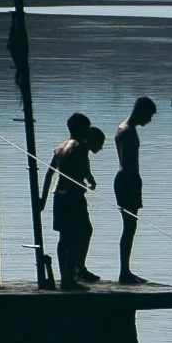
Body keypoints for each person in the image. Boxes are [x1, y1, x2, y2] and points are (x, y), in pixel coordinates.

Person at [41, 114, 105, 289]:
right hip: (73, 197)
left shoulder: (59, 148)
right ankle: (74, 273)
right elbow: (84, 169)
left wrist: (43, 200)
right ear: (82, 130)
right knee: (82, 232)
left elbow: (49, 175)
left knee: (65, 238)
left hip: (59, 196)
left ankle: (69, 274)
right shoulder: (80, 147)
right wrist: (91, 181)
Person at [114, 95, 157, 284]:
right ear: (142, 112)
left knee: (130, 227)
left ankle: (126, 270)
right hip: (127, 181)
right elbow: (128, 164)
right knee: (129, 227)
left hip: (128, 180)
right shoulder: (128, 131)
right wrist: (133, 185)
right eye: (149, 115)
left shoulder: (124, 127)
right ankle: (124, 272)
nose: (150, 119)